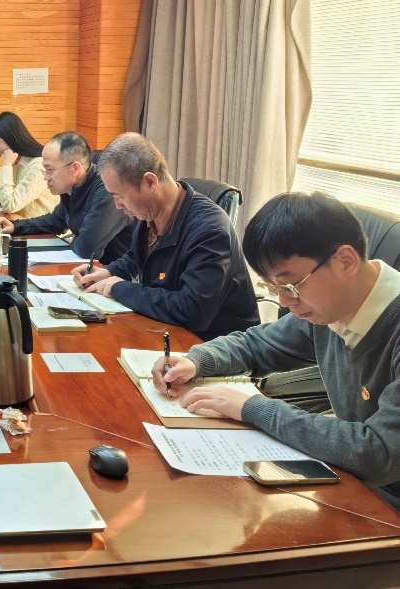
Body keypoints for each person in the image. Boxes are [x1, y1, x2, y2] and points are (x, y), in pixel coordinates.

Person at [152, 193, 400, 508]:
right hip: (358, 481)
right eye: (273, 288)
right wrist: (197, 361)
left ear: (345, 261)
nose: (283, 301)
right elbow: (257, 344)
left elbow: (379, 452)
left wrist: (254, 408)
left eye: (290, 285)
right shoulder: (331, 307)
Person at [74, 132, 259, 340]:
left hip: (213, 345)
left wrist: (119, 288)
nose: (117, 205)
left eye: (119, 195)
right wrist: (107, 272)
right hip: (163, 330)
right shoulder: (148, 212)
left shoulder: (210, 229)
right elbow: (137, 257)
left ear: (150, 182)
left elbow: (192, 311)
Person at [0, 131, 132, 264]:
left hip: (118, 275)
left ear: (75, 168)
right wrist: (15, 226)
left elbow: (87, 248)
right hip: (90, 270)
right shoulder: (71, 187)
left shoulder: (107, 191)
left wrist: (71, 240)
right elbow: (55, 221)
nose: (45, 177)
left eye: (49, 170)